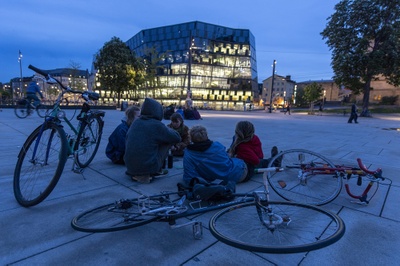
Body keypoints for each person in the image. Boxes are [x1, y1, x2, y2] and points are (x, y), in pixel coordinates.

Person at [124, 98, 181, 184]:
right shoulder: (156, 125)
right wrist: (167, 129)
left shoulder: (136, 122)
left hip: (130, 167)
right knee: (168, 141)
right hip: (148, 167)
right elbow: (177, 138)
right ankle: (156, 170)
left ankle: (141, 170)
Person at [183, 125, 247, 184]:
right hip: (238, 171)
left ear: (191, 138)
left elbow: (189, 176)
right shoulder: (217, 146)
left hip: (232, 175)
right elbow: (226, 160)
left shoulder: (189, 154)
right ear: (206, 136)